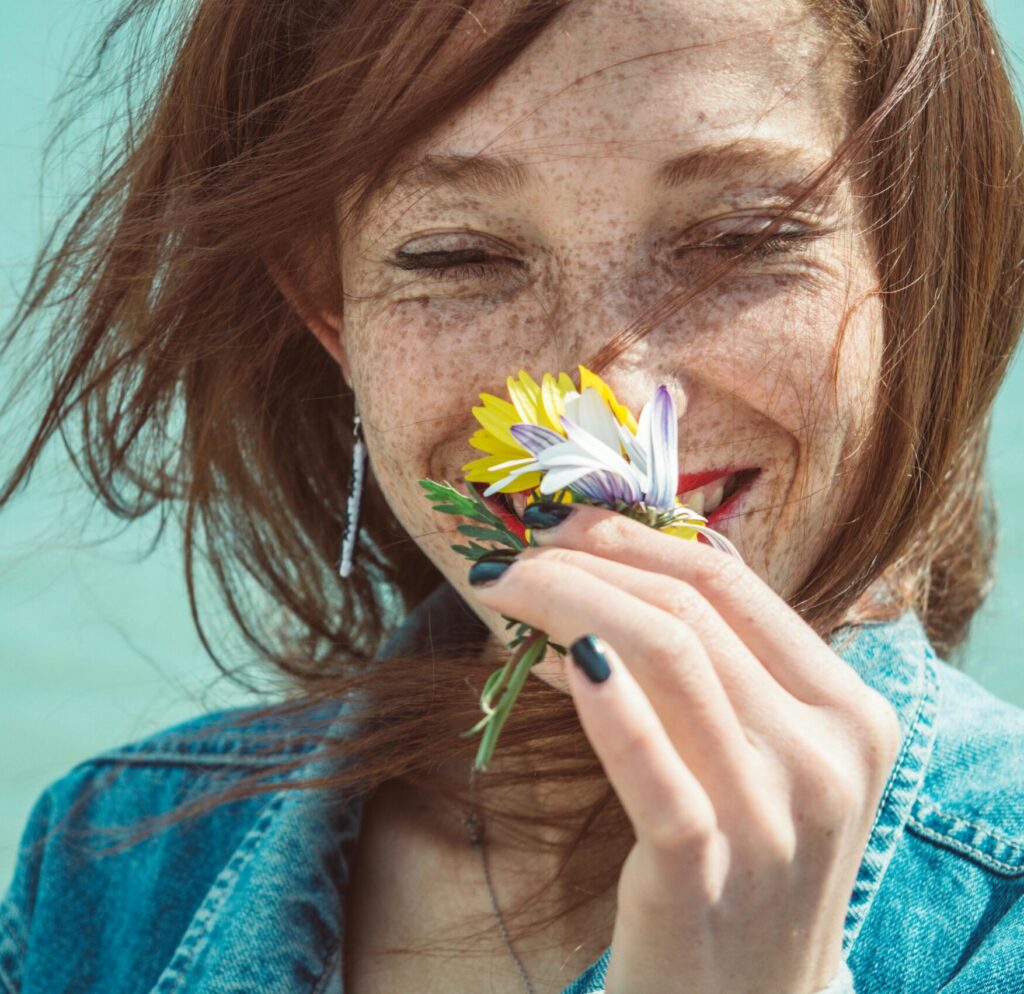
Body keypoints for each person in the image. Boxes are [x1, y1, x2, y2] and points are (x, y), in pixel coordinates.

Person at [2, 0, 1023, 991]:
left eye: (743, 236)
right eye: (459, 254)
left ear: (907, 262)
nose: (610, 404)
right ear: (330, 315)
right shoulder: (106, 867)